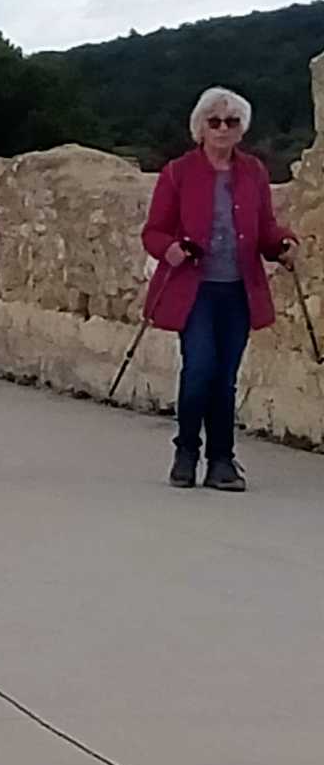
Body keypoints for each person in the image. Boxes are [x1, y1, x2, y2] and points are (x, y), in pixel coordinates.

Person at [141, 87, 298, 492]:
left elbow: (264, 227)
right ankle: (186, 452)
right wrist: (171, 249)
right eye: (215, 122)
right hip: (194, 290)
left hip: (237, 289)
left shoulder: (253, 172)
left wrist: (281, 244)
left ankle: (222, 460)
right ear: (201, 128)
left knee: (225, 377)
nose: (223, 129)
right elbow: (154, 231)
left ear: (242, 128)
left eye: (232, 121)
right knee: (199, 369)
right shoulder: (177, 172)